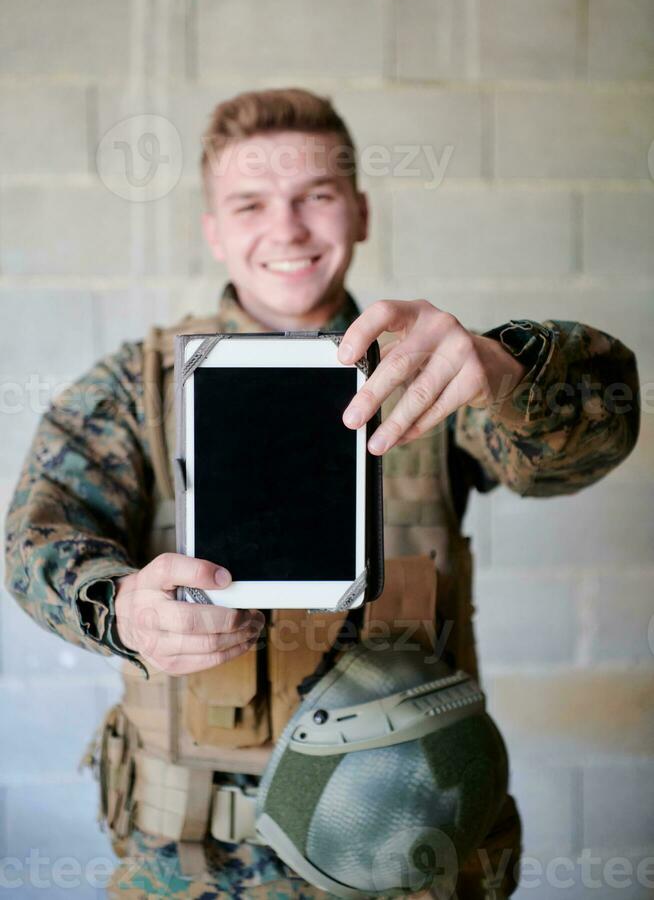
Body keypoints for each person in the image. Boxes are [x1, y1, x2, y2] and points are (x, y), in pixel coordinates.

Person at [4, 88, 640, 899]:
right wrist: (118, 605)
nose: (288, 228)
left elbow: (581, 449)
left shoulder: (436, 372)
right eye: (250, 203)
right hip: (194, 868)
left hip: (409, 857)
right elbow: (36, 541)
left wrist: (509, 369)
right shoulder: (137, 389)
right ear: (213, 228)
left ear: (361, 211)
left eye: (317, 196)